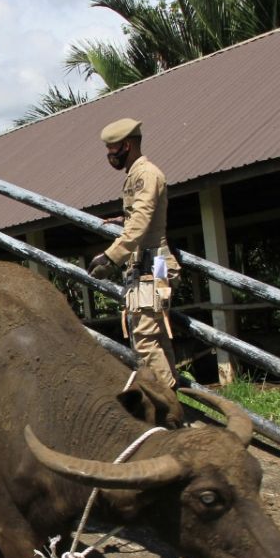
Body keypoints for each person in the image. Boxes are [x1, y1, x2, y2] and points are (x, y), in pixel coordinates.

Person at [88, 117, 180, 388]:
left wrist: (110, 256)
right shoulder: (136, 176)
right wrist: (123, 220)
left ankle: (168, 406)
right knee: (154, 338)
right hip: (145, 267)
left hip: (152, 267)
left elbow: (142, 220)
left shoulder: (145, 174)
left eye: (112, 149)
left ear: (126, 146)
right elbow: (139, 216)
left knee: (146, 340)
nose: (109, 156)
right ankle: (172, 404)